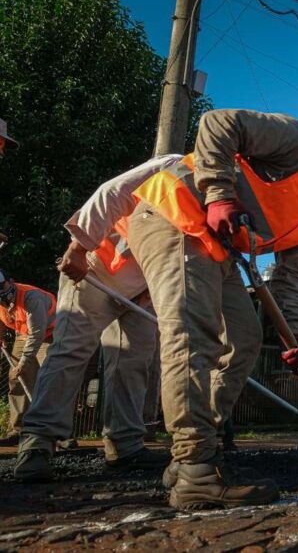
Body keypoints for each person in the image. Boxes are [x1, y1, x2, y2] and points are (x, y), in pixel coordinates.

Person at [126, 109, 298, 509]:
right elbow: (217, 122)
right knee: (195, 333)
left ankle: (195, 452)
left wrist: (295, 333)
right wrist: (218, 194)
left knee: (243, 337)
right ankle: (196, 468)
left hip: (217, 249)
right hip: (175, 215)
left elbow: (290, 279)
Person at [13, 156, 179, 481]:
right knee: (70, 351)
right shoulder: (174, 166)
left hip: (144, 289)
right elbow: (111, 192)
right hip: (93, 268)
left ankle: (125, 445)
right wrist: (77, 249)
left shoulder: (226, 204)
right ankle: (37, 444)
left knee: (134, 362)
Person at [0, 272, 55, 446]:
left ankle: (58, 433)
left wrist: (24, 363)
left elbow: (37, 334)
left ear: (10, 282)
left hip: (51, 334)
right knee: (16, 379)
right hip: (24, 335)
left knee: (51, 380)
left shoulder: (32, 298)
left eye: (1, 286)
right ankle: (18, 429)